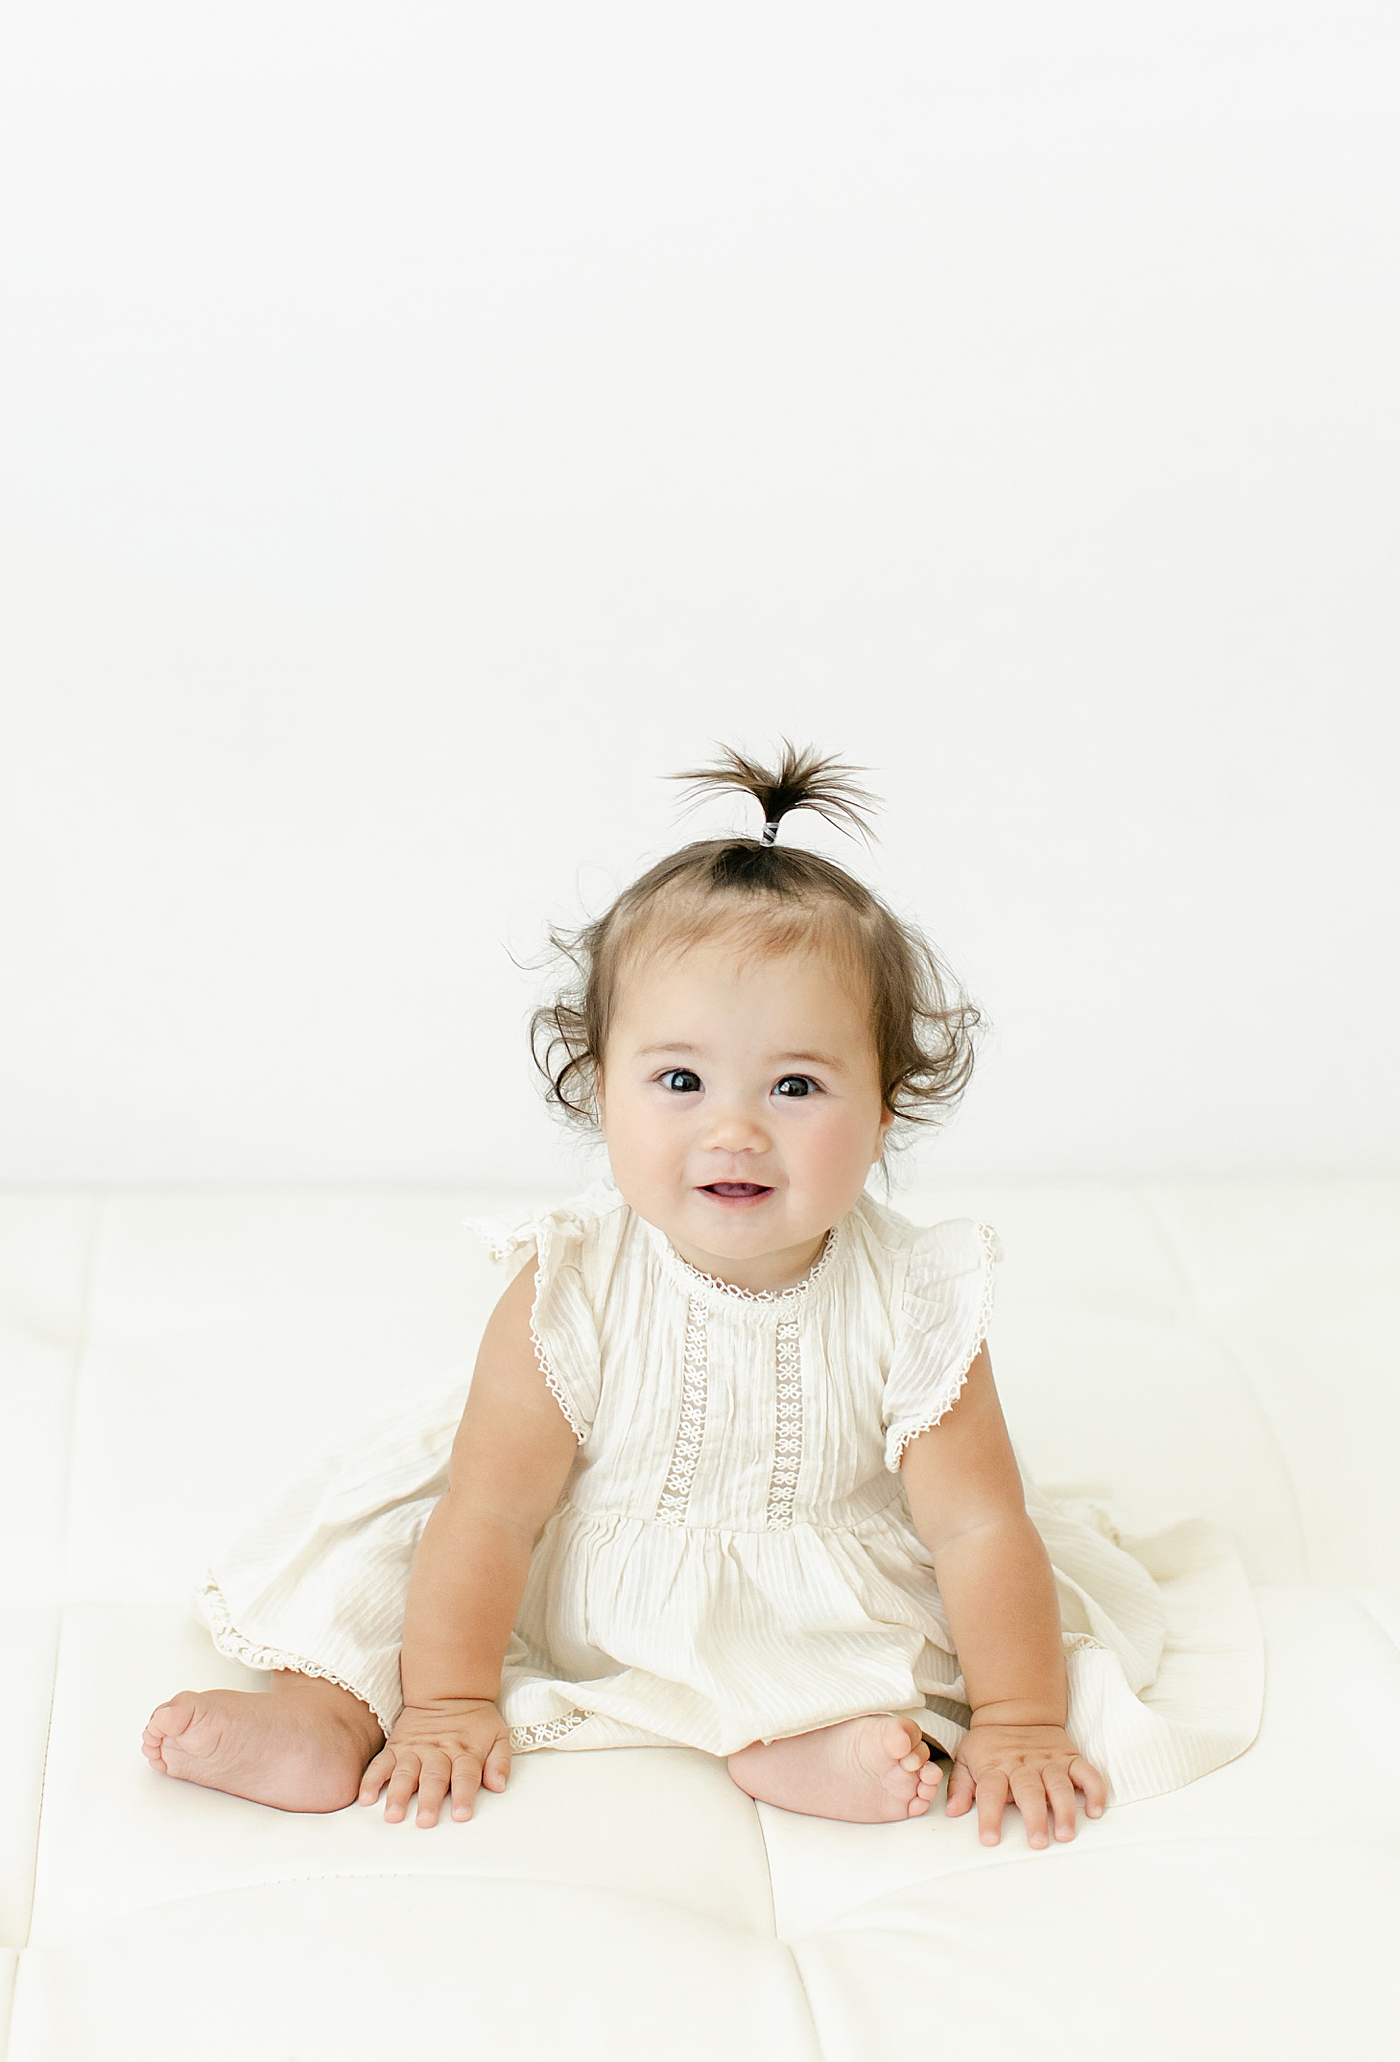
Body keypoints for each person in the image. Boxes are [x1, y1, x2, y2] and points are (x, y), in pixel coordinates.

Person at [143, 744, 1261, 1841]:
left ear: (885, 1111)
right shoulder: (571, 1283)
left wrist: (1019, 1720)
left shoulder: (914, 1296)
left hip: (804, 1569)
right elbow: (488, 1512)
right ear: (595, 1089)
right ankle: (325, 1718)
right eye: (679, 1079)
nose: (735, 1128)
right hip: (545, 1566)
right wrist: (446, 1702)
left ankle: (810, 1738)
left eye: (795, 1084)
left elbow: (974, 1523)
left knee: (932, 1633)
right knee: (381, 1571)